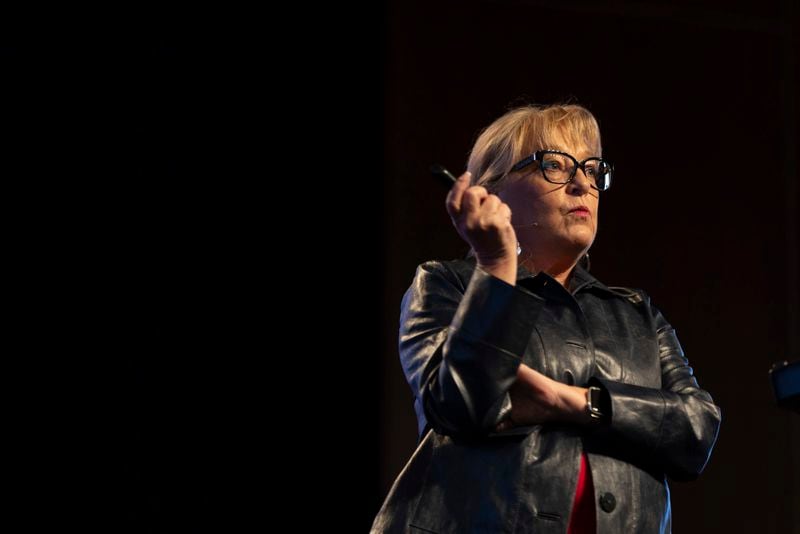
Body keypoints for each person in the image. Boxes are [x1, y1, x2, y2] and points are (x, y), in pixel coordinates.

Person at [371, 104, 722, 533]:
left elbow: (697, 428)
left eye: (592, 170)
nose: (582, 185)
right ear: (491, 191)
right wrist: (498, 264)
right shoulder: (446, 285)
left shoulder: (636, 312)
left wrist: (568, 400)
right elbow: (460, 408)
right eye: (554, 165)